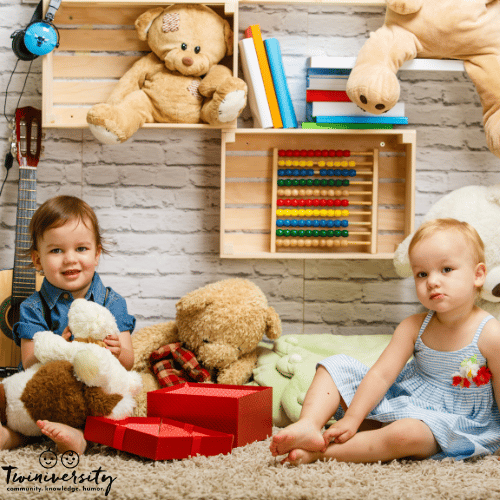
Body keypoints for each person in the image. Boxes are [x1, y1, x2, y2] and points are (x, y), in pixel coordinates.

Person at [271, 218, 500, 464]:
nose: (432, 281)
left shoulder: (490, 333)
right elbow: (380, 375)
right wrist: (353, 418)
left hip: (454, 422)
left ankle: (319, 452)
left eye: (446, 269)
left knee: (405, 434)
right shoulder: (413, 326)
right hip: (405, 399)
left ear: (478, 275)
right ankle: (309, 425)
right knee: (333, 365)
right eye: (422, 274)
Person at [1, 195, 136, 454]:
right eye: (56, 250)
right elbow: (29, 362)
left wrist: (118, 351)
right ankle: (10, 437)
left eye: (81, 249)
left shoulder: (112, 301)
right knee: (23, 410)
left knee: (117, 402)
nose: (70, 259)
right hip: (48, 394)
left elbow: (128, 362)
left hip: (91, 394)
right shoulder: (32, 306)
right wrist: (58, 347)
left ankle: (80, 436)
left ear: (97, 254)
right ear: (38, 260)